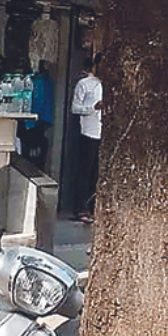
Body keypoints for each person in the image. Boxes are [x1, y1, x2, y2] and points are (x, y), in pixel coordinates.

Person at [70, 53, 103, 223]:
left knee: (98, 173)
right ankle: (80, 208)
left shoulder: (108, 86)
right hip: (89, 131)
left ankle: (94, 207)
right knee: (85, 171)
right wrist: (93, 107)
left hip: (103, 132)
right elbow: (75, 108)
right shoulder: (85, 84)